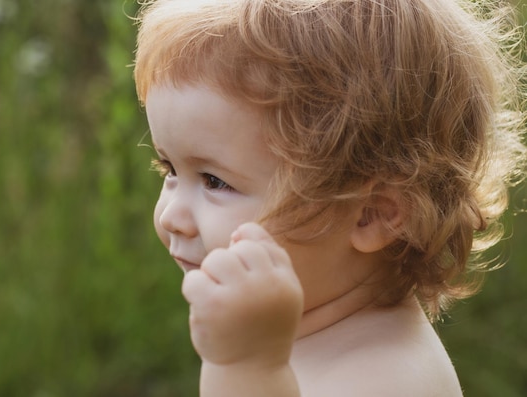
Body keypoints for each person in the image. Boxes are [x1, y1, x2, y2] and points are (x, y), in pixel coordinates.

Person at [133, 0, 526, 395]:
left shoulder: (389, 378)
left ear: (372, 214)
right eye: (169, 169)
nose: (170, 216)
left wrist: (244, 367)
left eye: (214, 181)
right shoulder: (304, 336)